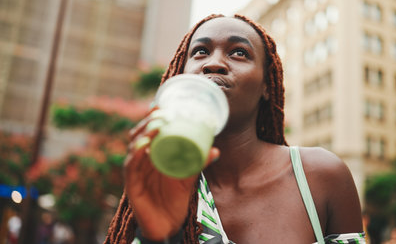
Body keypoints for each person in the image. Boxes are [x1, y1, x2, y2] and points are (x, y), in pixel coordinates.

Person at [104, 14, 365, 244]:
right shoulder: (161, 184)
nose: (213, 63)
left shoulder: (321, 175)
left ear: (267, 85)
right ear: (180, 75)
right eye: (200, 52)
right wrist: (158, 237)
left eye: (239, 52)